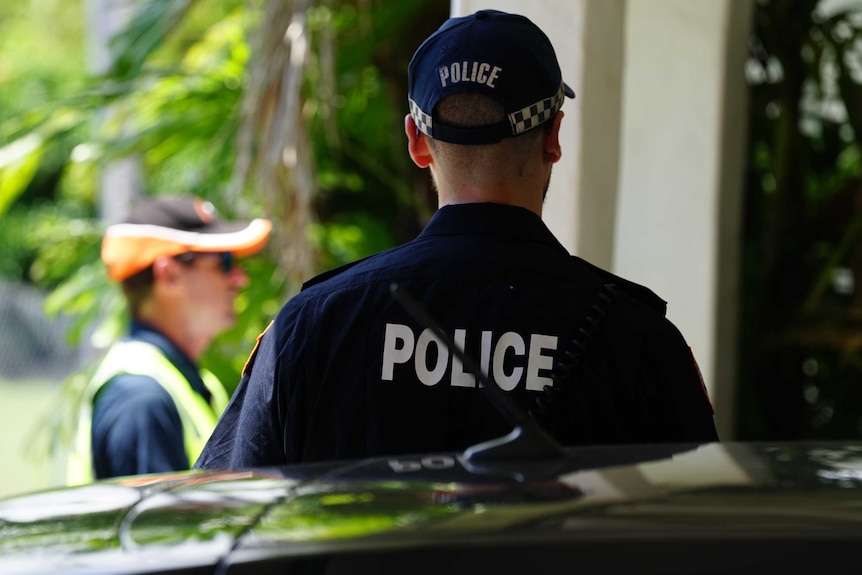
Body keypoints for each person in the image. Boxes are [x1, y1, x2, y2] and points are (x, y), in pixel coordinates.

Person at [196, 9, 718, 470]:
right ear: (554, 137)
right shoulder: (639, 340)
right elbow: (698, 532)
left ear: (417, 142)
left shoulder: (313, 324)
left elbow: (225, 519)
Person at [66, 195, 271, 483]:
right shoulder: (140, 398)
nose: (240, 279)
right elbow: (155, 528)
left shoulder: (182, 380)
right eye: (224, 261)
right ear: (170, 274)